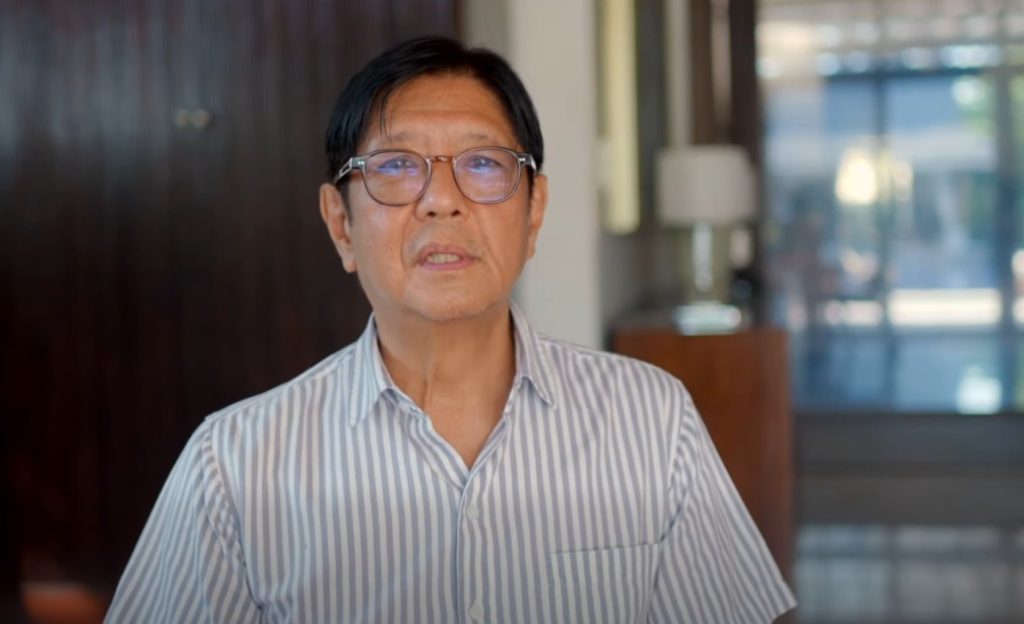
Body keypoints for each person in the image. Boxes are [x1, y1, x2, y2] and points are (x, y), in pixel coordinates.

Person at [106, 36, 796, 623]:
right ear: (341, 225)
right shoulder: (232, 466)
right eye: (396, 166)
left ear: (533, 213)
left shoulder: (652, 420)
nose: (442, 201)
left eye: (484, 164)